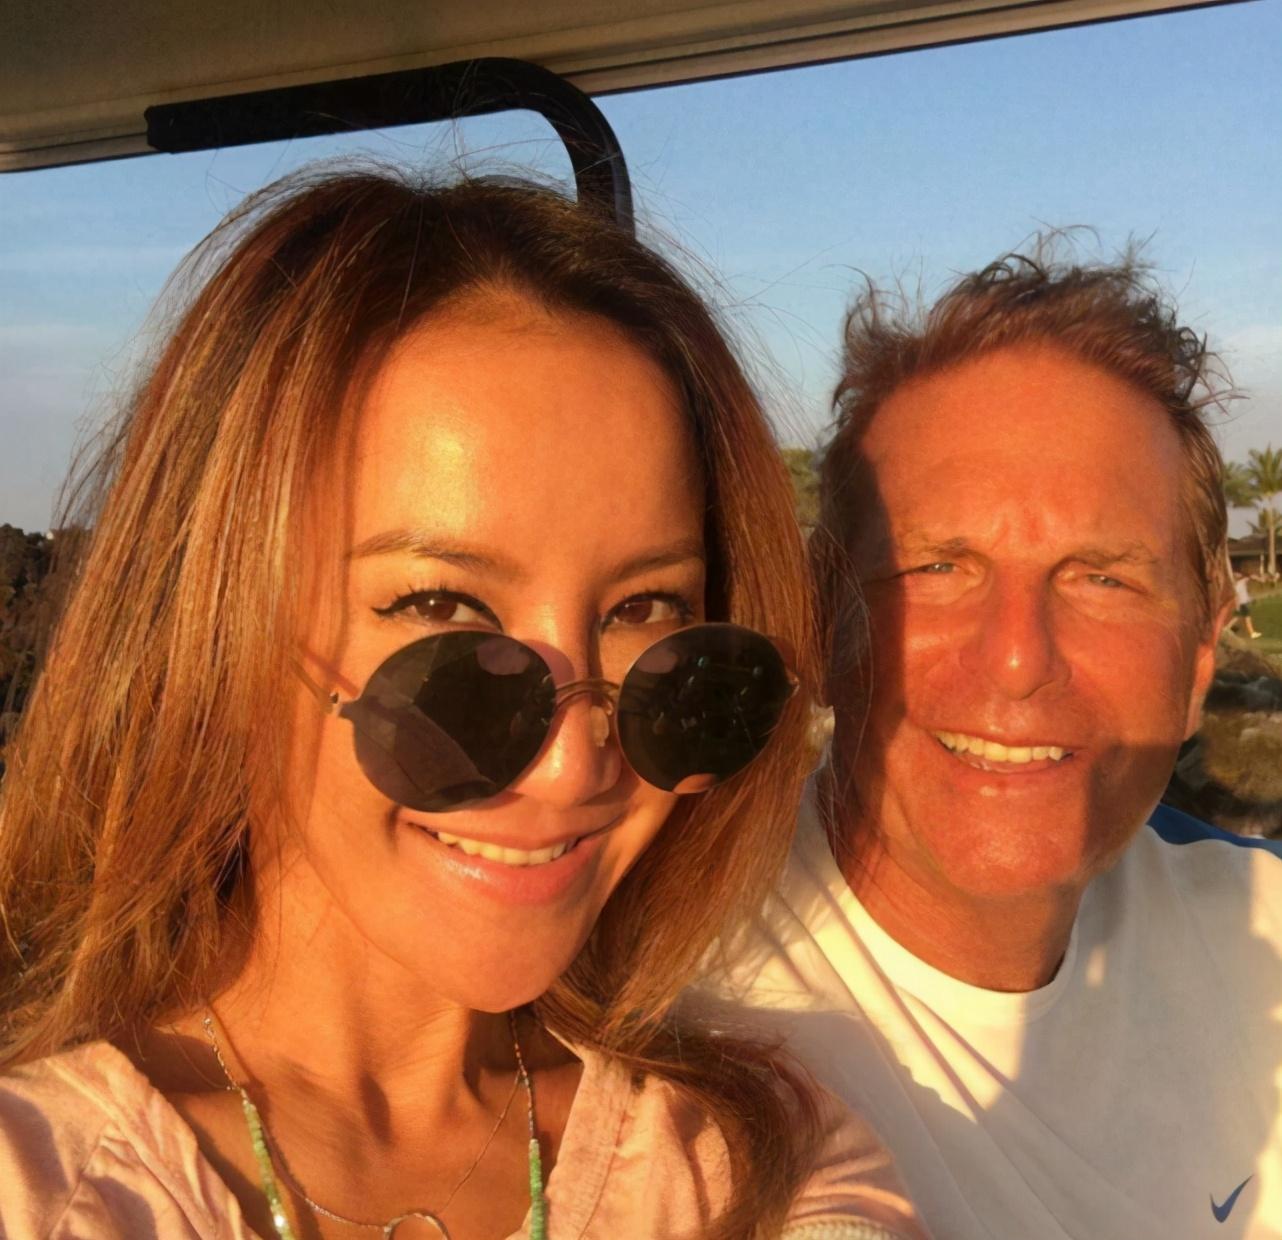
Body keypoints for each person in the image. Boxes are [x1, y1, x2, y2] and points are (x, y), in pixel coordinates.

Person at [0, 168, 922, 1240]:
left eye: (645, 610)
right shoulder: (43, 1187)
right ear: (212, 620)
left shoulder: (755, 1170)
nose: (575, 765)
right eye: (440, 607)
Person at [709, 247, 1282, 1239]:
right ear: (824, 622)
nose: (1017, 659)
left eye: (1101, 577)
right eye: (935, 567)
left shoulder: (1258, 929)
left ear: (1200, 656)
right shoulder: (680, 1029)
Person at [1231, 569, 1263, 638]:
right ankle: (1252, 633)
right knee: (1247, 617)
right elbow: (1237, 597)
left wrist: (1251, 600)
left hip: (1242, 603)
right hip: (1242, 604)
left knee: (1237, 617)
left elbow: (1245, 595)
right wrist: (1237, 607)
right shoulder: (1239, 584)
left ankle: (1227, 628)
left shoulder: (1240, 584)